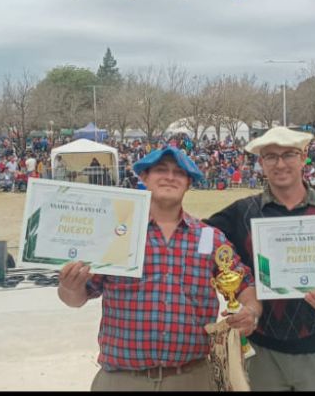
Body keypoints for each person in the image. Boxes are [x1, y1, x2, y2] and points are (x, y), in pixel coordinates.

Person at [57, 147, 262, 391]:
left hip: (191, 379)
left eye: (179, 173)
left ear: (188, 183)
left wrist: (251, 312)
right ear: (144, 178)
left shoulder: (210, 238)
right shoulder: (116, 233)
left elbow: (245, 284)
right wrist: (69, 287)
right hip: (122, 380)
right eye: (161, 170)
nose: (169, 177)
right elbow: (76, 298)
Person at [205, 126, 315, 392]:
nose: (280, 163)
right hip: (263, 355)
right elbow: (202, 238)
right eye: (270, 157)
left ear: (303, 157)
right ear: (261, 163)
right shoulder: (244, 212)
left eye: (288, 154)